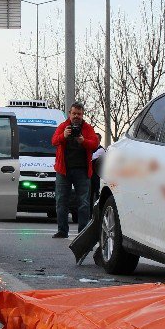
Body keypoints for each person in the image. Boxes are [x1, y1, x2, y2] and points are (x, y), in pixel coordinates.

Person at [51, 102, 99, 238]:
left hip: (82, 171)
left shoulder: (88, 128)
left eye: (79, 114)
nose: (76, 116)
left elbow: (95, 144)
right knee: (61, 201)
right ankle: (62, 230)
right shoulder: (63, 126)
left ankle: (82, 232)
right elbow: (53, 141)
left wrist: (83, 141)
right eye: (74, 114)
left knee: (83, 203)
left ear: (82, 115)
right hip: (63, 170)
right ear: (69, 114)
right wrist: (63, 136)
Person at [89, 133, 106, 209]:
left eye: (96, 139)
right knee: (90, 195)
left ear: (99, 140)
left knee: (97, 195)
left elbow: (91, 158)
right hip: (91, 175)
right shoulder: (91, 149)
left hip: (98, 176)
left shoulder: (101, 150)